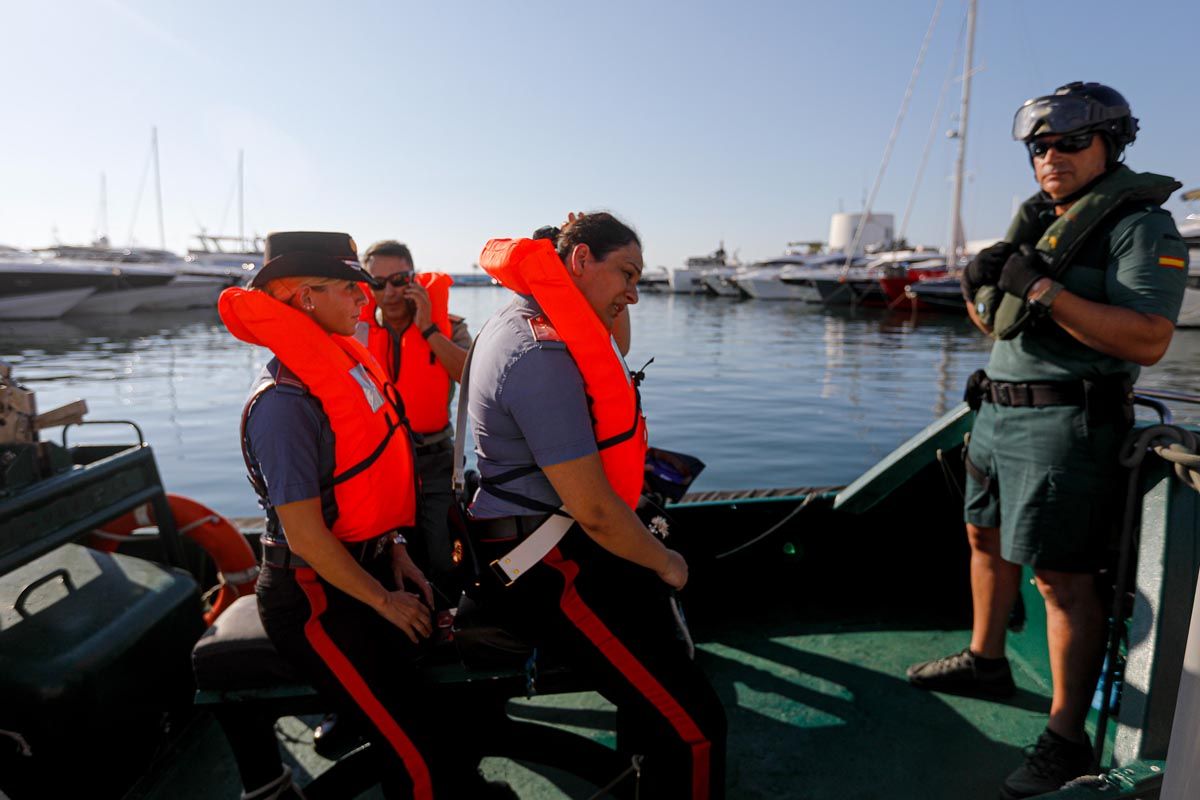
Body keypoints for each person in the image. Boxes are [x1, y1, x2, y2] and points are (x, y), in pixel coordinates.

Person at [906, 83, 1189, 799]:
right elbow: (1002, 327)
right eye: (1039, 146)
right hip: (998, 415)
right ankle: (986, 658)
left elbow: (1150, 339)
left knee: (1061, 581)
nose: (1050, 156)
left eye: (1069, 141)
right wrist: (981, 292)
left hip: (1067, 428)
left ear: (1111, 145)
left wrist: (1040, 290)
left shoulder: (1140, 227)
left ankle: (1064, 740)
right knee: (982, 539)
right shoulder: (1039, 226)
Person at [465, 213, 727, 799]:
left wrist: (603, 287)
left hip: (555, 542)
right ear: (580, 259)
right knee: (696, 728)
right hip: (542, 564)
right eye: (627, 274)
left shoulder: (533, 318)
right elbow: (597, 511)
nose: (635, 292)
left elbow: (614, 347)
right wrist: (666, 563)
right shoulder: (539, 353)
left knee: (667, 674)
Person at [219, 231, 473, 799]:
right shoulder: (284, 404)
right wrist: (383, 599)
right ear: (305, 297)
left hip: (369, 569)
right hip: (312, 598)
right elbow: (306, 533)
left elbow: (364, 493)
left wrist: (398, 551)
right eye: (351, 289)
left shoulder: (342, 367)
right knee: (419, 756)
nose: (366, 300)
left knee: (445, 724)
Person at [355, 240, 469, 591]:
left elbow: (472, 375)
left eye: (399, 279)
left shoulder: (450, 328)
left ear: (414, 280)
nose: (389, 291)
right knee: (380, 561)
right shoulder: (353, 332)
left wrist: (429, 330)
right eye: (378, 282)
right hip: (377, 465)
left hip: (435, 460)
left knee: (442, 558)